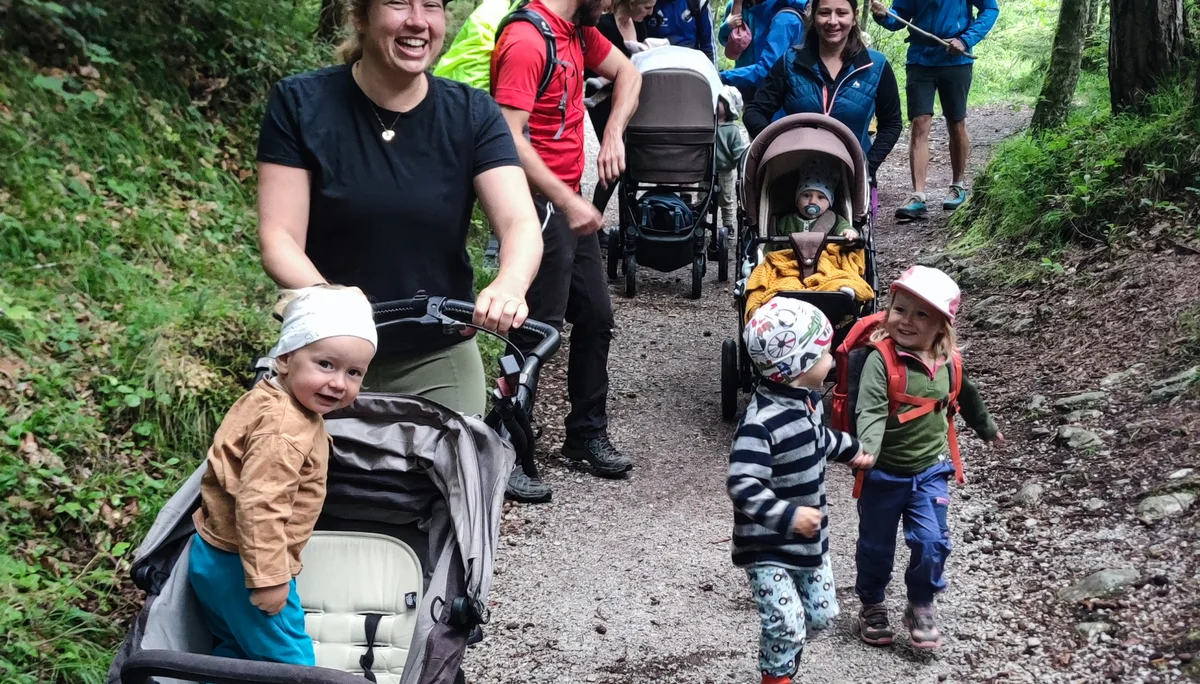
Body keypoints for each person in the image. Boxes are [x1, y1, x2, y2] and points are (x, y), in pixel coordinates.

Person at [255, 0, 543, 426]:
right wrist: (336, 303)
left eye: (431, 6)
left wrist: (510, 284)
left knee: (454, 480)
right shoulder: (300, 103)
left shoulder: (472, 113)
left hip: (436, 352)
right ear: (360, 17)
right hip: (324, 352)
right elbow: (279, 237)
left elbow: (519, 222)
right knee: (301, 483)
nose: (417, 21)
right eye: (397, 3)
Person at [491, 0, 643, 498]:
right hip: (532, 201)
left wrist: (614, 131)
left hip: (567, 199)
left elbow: (628, 73)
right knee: (533, 327)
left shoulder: (578, 29)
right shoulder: (528, 40)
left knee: (597, 315)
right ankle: (504, 448)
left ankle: (584, 435)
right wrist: (564, 200)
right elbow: (507, 138)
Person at [189, 285, 378, 665]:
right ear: (286, 359)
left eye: (354, 372)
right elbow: (260, 503)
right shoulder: (284, 428)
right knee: (292, 666)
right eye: (326, 365)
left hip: (214, 553)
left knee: (236, 654)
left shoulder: (271, 397)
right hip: (245, 565)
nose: (339, 382)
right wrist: (270, 579)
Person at [853, 266, 1004, 650]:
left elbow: (966, 398)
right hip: (883, 473)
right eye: (900, 309)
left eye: (921, 314)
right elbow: (869, 408)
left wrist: (986, 428)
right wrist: (867, 448)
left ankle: (921, 602)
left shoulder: (950, 362)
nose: (906, 321)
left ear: (942, 325)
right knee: (876, 546)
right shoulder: (880, 360)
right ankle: (872, 602)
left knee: (932, 542)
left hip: (929, 471)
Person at [728, 298, 874, 684]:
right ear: (798, 366)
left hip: (810, 543)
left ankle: (785, 653)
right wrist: (789, 517)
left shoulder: (806, 403)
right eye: (824, 353)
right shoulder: (760, 424)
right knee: (787, 623)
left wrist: (853, 450)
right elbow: (742, 484)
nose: (831, 359)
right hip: (766, 547)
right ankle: (776, 674)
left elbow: (815, 439)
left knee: (823, 615)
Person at [744, 0, 902, 185]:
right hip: (792, 177)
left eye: (842, 13)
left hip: (852, 178)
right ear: (813, 15)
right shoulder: (790, 63)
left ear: (854, 17)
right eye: (825, 13)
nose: (832, 21)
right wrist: (777, 150)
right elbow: (755, 111)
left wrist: (867, 165)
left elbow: (892, 122)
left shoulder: (875, 66)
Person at [869, 0, 998, 218]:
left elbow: (990, 9)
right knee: (919, 123)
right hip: (920, 60)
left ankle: (957, 184)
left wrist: (966, 41)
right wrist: (883, 15)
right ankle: (918, 195)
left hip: (956, 61)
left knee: (956, 122)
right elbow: (899, 17)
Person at [587, 0, 656, 218]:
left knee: (630, 163)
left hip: (628, 100)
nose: (651, 13)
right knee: (616, 164)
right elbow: (589, 73)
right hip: (602, 102)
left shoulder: (640, 24)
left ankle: (629, 224)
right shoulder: (603, 25)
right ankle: (592, 219)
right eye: (646, 7)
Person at [717, 0, 807, 106]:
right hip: (747, 83)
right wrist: (728, 25)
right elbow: (726, 42)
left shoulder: (784, 17)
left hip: (775, 94)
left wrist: (722, 76)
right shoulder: (738, 7)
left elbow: (767, 70)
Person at [776, 156, 859, 239]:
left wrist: (848, 232)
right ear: (797, 200)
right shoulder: (785, 222)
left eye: (820, 197)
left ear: (829, 203)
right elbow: (771, 247)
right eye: (806, 195)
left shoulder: (835, 220)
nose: (812, 201)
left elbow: (845, 227)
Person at [715, 86, 749, 233]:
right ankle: (700, 223)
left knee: (726, 199)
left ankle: (728, 225)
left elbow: (738, 151)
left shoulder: (732, 130)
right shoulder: (707, 125)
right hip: (705, 171)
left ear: (729, 106)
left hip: (724, 171)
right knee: (703, 197)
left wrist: (741, 163)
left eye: (719, 101)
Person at [645, 0, 718, 64]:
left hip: (690, 67)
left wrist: (713, 76)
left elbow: (708, 46)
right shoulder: (648, 4)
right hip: (656, 65)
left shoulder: (698, 2)